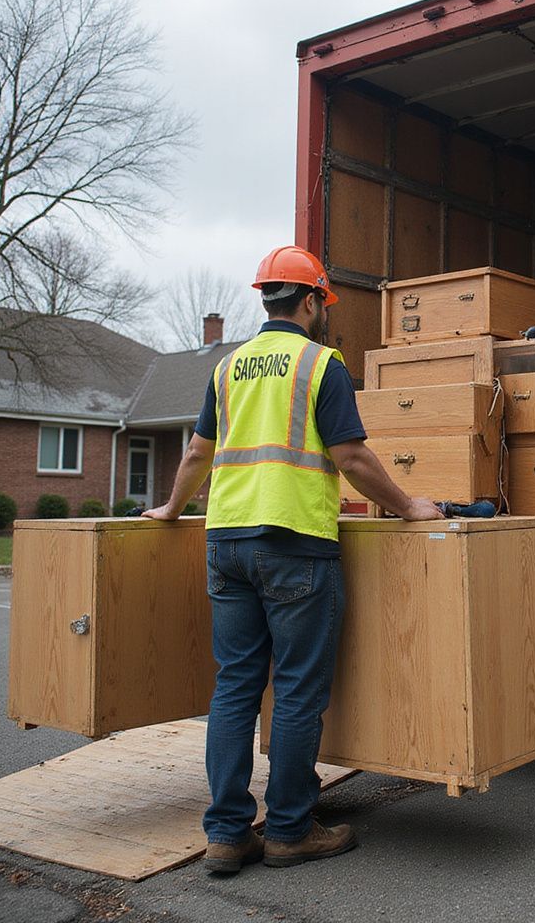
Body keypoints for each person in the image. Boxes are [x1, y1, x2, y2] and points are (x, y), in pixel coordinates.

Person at [144, 245, 443, 874]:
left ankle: (226, 835)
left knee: (234, 690)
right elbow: (352, 457)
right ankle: (288, 830)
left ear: (264, 299)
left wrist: (172, 509)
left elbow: (198, 453)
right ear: (310, 301)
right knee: (299, 692)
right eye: (322, 302)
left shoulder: (227, 368)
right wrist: (408, 504)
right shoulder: (320, 364)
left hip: (226, 542)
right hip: (294, 546)